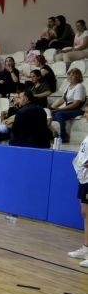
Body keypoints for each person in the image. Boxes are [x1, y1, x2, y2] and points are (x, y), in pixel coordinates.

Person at [69, 111, 88, 268]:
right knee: (85, 213)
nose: (85, 115)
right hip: (84, 178)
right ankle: (86, 248)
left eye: (87, 112)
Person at [51, 68, 87, 143]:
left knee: (59, 114)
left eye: (72, 75)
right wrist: (53, 107)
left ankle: (63, 136)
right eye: (69, 75)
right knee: (50, 113)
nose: (70, 77)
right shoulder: (69, 86)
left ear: (78, 77)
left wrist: (61, 109)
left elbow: (76, 104)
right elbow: (64, 99)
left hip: (78, 109)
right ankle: (53, 134)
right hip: (69, 108)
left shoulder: (79, 86)